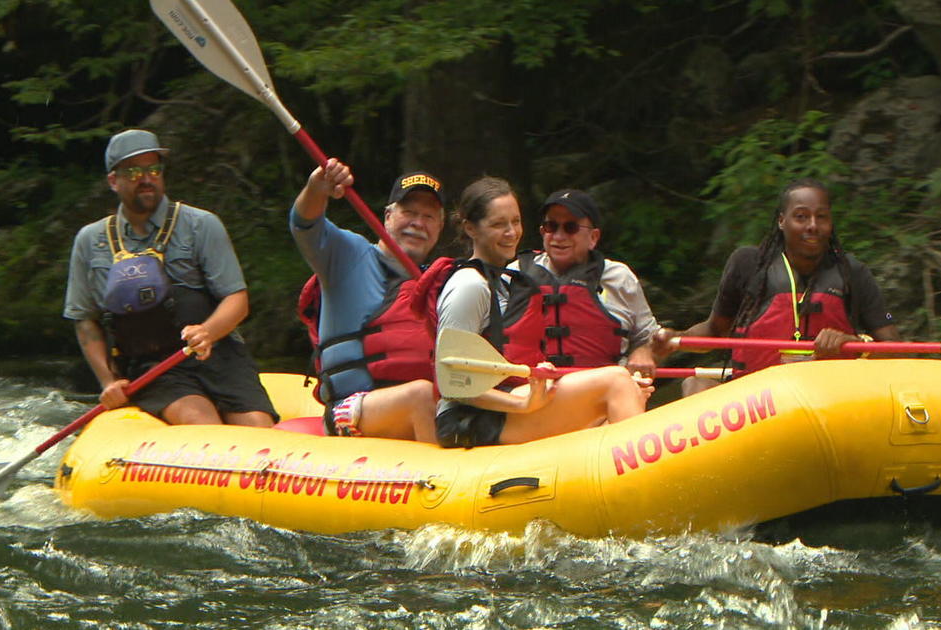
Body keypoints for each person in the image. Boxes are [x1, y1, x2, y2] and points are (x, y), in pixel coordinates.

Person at [63, 129, 277, 426]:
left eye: (154, 169)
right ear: (114, 181)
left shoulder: (201, 224)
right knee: (200, 420)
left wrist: (207, 332)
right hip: (154, 366)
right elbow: (85, 320)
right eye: (135, 171)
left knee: (258, 427)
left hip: (218, 355)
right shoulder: (90, 240)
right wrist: (108, 381)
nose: (147, 178)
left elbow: (237, 300)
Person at [429, 176, 652, 448]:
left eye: (515, 221)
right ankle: (639, 478)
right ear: (471, 229)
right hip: (469, 418)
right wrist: (521, 403)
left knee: (625, 386)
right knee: (617, 380)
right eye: (499, 224)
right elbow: (452, 383)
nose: (511, 232)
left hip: (507, 403)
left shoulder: (507, 280)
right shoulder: (469, 285)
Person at [654, 177, 900, 396]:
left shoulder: (853, 272)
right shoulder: (748, 264)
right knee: (695, 384)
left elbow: (895, 347)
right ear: (782, 221)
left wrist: (855, 343)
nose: (812, 225)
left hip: (831, 395)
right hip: (758, 399)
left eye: (821, 217)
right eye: (801, 216)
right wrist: (677, 339)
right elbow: (715, 330)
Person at [291, 159, 443, 441]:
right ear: (387, 216)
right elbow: (304, 224)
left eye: (429, 216)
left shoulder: (438, 282)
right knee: (422, 395)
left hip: (423, 411)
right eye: (409, 212)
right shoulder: (349, 256)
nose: (418, 223)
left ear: (439, 227)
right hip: (351, 411)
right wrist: (317, 188)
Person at [509, 189, 662, 377]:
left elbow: (650, 337)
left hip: (603, 389)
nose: (558, 236)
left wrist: (644, 351)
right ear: (542, 232)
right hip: (533, 392)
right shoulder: (514, 275)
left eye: (570, 227)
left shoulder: (619, 277)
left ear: (593, 238)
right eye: (551, 226)